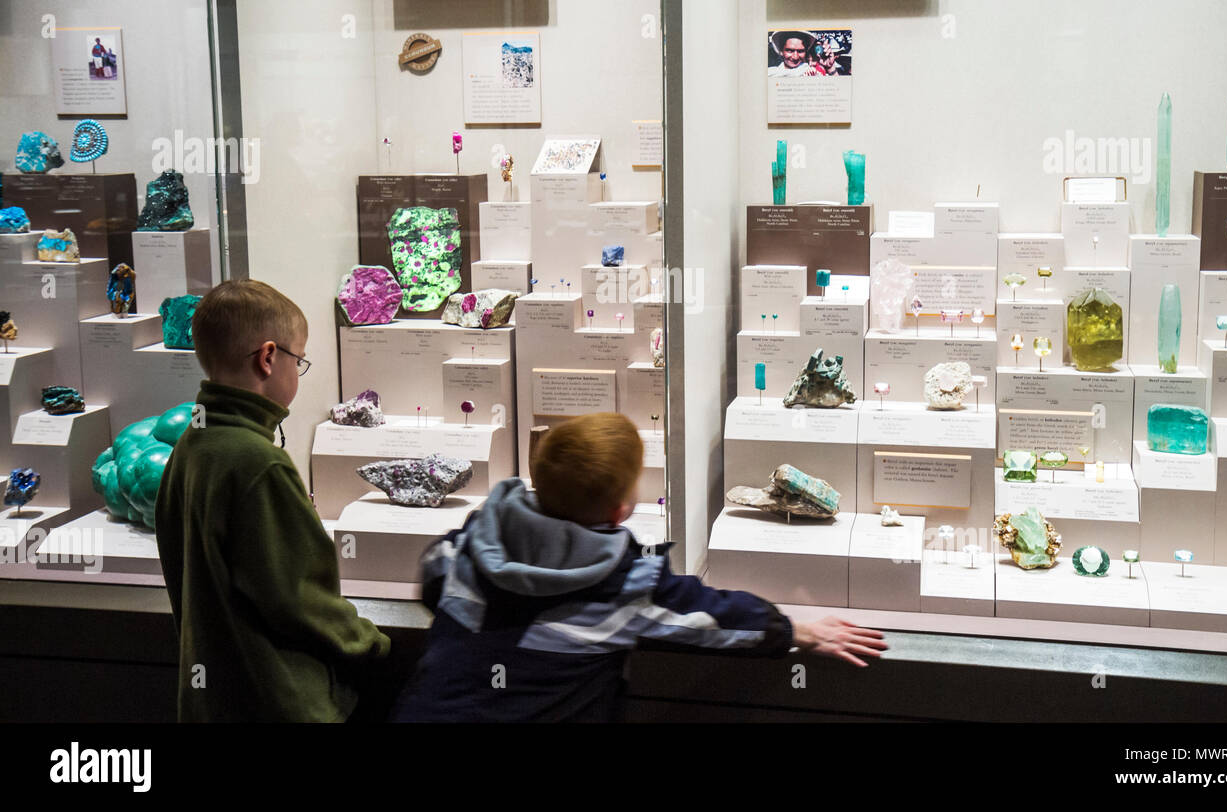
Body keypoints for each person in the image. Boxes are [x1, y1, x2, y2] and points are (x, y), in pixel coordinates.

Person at [391, 412, 886, 722]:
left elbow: (434, 578)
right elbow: (710, 615)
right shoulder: (623, 584)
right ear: (620, 510)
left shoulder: (473, 544)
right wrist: (796, 630)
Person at [155, 279, 390, 721]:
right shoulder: (258, 462)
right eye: (298, 359)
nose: (297, 371)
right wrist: (372, 644)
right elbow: (299, 598)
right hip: (276, 703)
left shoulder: (192, 443)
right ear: (268, 357)